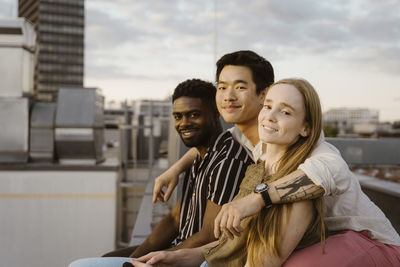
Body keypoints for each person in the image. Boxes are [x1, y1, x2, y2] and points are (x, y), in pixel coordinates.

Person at [132, 78, 400, 267]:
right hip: (321, 239)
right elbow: (224, 140)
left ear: (306, 128)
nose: (269, 115)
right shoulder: (262, 152)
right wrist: (177, 168)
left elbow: (319, 177)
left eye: (285, 111)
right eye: (268, 105)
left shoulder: (323, 156)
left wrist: (256, 198)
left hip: (369, 240)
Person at [68, 79, 253, 267]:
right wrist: (134, 258)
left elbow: (208, 235)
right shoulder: (200, 156)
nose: (184, 123)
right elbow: (175, 219)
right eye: (178, 116)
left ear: (215, 114)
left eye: (194, 115)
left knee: (78, 266)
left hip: (196, 260)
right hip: (178, 247)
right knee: (107, 258)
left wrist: (155, 260)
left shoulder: (227, 160)